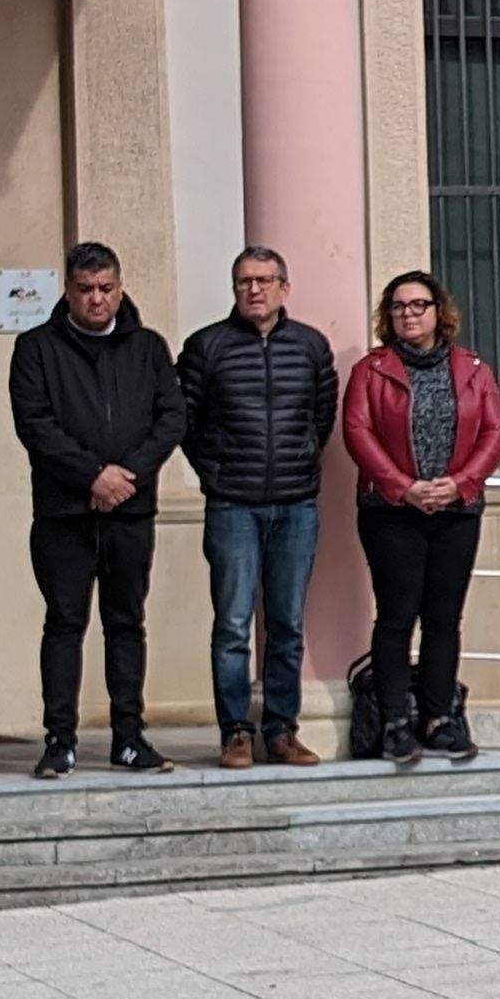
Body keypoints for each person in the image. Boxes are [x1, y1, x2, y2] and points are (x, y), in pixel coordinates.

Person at [12, 238, 184, 777]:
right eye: (84, 289)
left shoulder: (149, 347)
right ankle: (59, 739)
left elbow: (171, 417)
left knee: (126, 623)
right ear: (67, 290)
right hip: (64, 512)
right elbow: (34, 424)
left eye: (106, 288)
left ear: (120, 287)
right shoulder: (36, 347)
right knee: (65, 622)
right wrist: (92, 475)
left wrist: (125, 477)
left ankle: (128, 738)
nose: (96, 299)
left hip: (130, 511)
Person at [180, 246, 341, 770]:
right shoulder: (207, 346)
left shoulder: (312, 347)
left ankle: (281, 730)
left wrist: (297, 462)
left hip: (295, 505)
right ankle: (234, 732)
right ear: (234, 289)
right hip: (232, 505)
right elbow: (188, 420)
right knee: (231, 624)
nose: (255, 290)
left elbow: (322, 416)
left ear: (284, 288)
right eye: (245, 281)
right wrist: (216, 472)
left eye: (265, 280)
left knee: (287, 623)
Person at [343, 271, 500, 767]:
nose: (407, 315)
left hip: (457, 511)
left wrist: (460, 484)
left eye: (418, 306)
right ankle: (396, 720)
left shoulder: (474, 369)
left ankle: (439, 718)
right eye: (398, 307)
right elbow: (357, 431)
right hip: (391, 512)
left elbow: (495, 432)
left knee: (444, 619)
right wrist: (403, 487)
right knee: (396, 618)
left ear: (439, 311)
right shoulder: (371, 371)